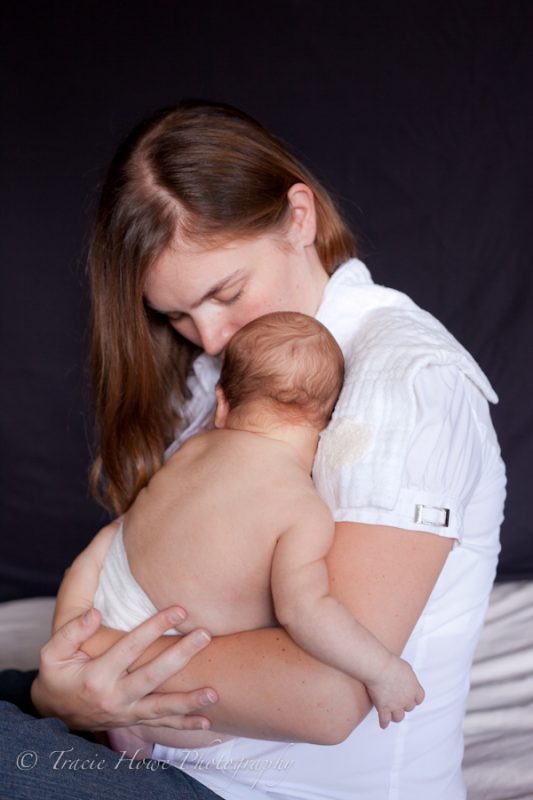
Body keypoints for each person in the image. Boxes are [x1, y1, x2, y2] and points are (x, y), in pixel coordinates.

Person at [0, 99, 506, 800]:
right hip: (158, 749)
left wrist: (88, 676)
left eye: (226, 292)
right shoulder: (224, 371)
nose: (208, 338)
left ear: (298, 218)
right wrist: (69, 691)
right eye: (174, 314)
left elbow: (325, 699)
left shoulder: (403, 385)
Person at [54, 310, 424, 759]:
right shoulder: (302, 509)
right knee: (212, 727)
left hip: (95, 600)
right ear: (326, 424)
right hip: (150, 664)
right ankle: (131, 730)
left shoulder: (194, 448)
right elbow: (306, 612)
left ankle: (101, 704)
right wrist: (383, 669)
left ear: (223, 404)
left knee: (115, 535)